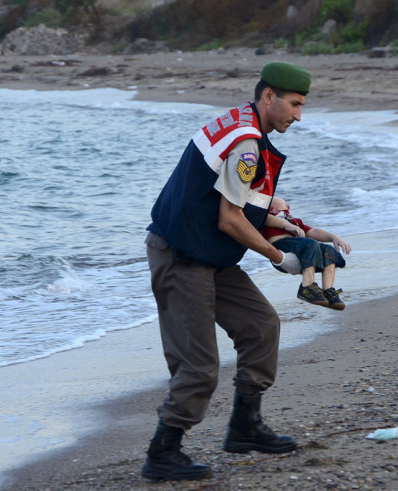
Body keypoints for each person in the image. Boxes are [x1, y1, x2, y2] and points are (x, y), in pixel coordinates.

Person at [141, 61, 311, 481]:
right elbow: (230, 219)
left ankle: (244, 427)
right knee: (198, 365)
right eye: (294, 104)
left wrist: (275, 213)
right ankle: (163, 452)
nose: (299, 115)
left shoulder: (241, 123)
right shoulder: (248, 144)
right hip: (181, 256)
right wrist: (278, 257)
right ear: (268, 96)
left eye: (303, 106)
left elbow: (232, 192)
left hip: (210, 255)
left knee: (261, 325)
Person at [262, 196, 351, 310]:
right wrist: (286, 225)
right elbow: (264, 217)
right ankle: (307, 286)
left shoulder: (294, 221)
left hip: (300, 249)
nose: (287, 205)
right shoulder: (268, 215)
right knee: (311, 243)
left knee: (328, 250)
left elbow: (314, 231)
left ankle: (328, 291)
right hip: (280, 246)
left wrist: (333, 237)